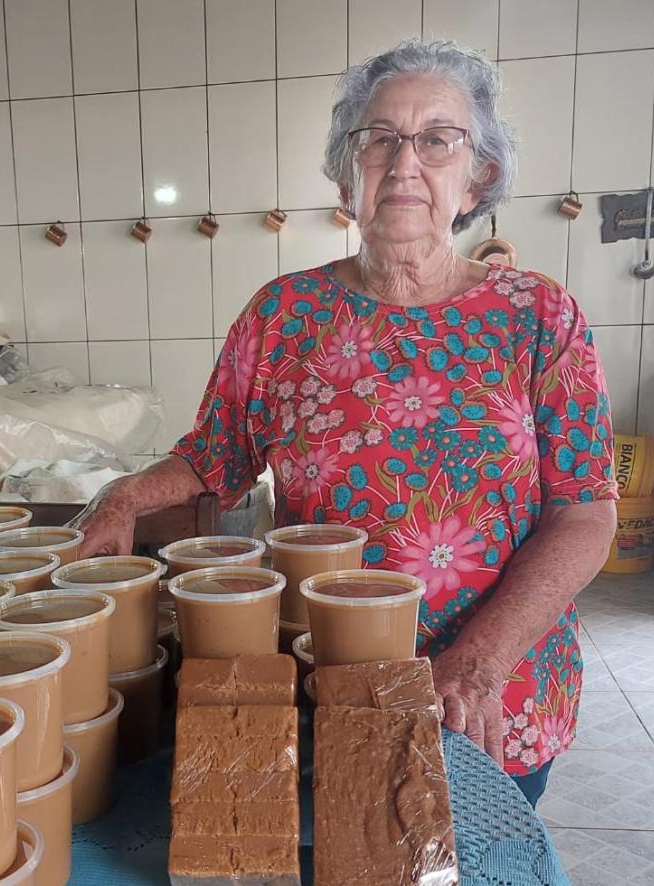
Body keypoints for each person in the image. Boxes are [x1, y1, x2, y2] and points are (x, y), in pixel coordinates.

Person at [72, 40, 617, 807]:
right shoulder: (283, 314)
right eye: (379, 139)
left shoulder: (539, 315)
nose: (404, 163)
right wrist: (126, 495)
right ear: (344, 176)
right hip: (330, 678)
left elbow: (587, 510)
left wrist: (479, 662)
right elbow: (217, 456)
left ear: (478, 177)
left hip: (493, 689)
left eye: (437, 140)